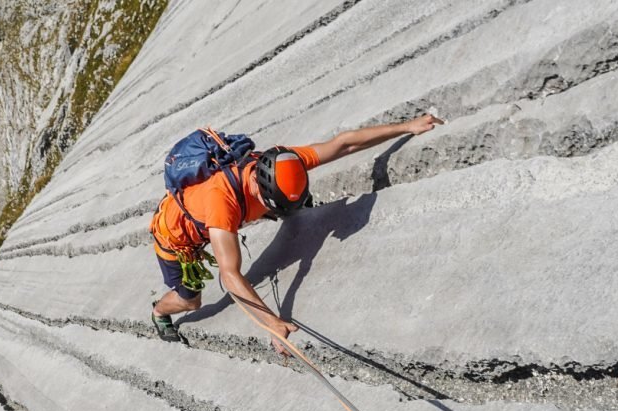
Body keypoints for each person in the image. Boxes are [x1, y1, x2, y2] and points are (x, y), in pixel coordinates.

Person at [150, 113, 443, 355]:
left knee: (296, 205)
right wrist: (273, 323)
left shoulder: (281, 162)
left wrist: (407, 127)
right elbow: (230, 275)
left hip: (221, 213)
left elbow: (343, 145)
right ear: (260, 191)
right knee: (191, 300)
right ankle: (159, 312)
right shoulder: (221, 202)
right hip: (176, 239)